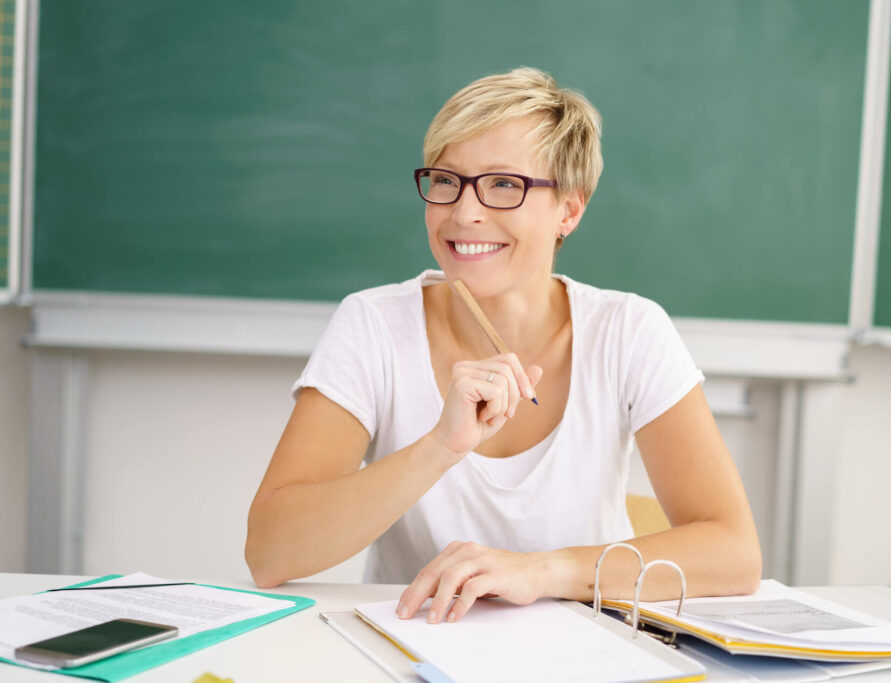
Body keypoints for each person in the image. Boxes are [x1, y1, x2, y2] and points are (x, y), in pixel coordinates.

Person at [245, 67, 761, 624]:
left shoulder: (628, 331)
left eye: (503, 185)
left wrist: (540, 572)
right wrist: (440, 446)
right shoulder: (372, 324)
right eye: (446, 180)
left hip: (587, 654)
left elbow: (733, 552)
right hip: (415, 652)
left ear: (569, 209)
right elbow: (271, 553)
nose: (464, 212)